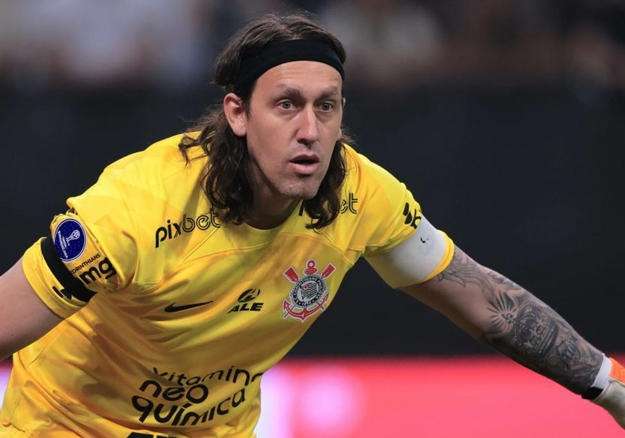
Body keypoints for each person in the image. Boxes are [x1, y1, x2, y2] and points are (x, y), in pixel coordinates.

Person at [0, 13, 623, 437]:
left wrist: (612, 389)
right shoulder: (137, 207)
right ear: (237, 114)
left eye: (327, 107)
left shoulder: (361, 194)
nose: (310, 131)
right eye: (286, 105)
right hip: (67, 424)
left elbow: (483, 300)